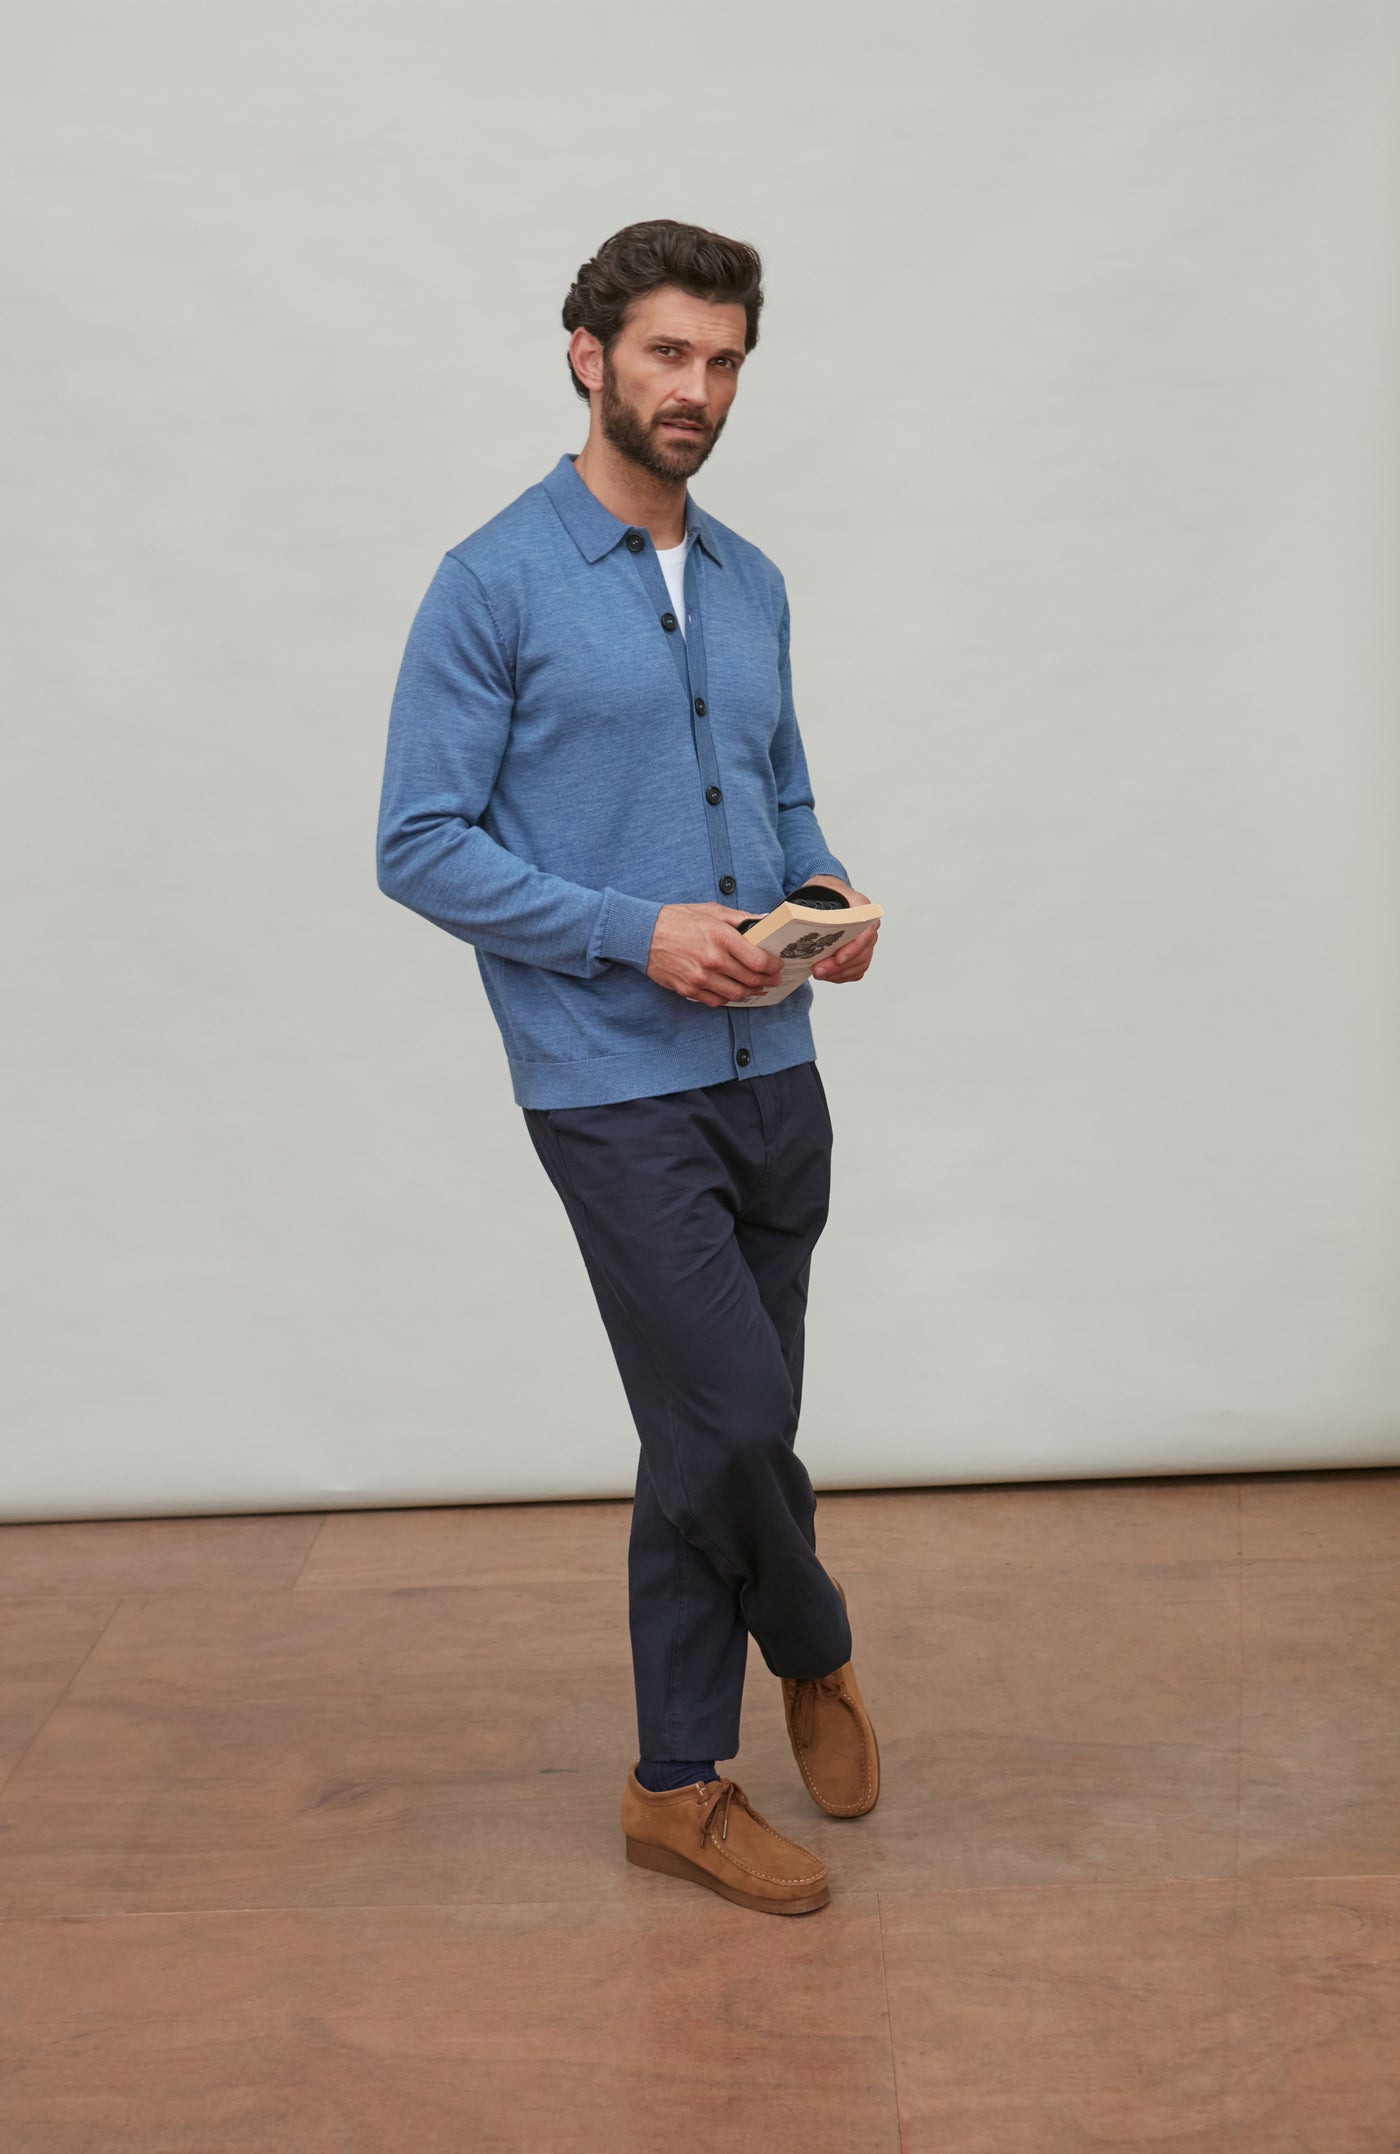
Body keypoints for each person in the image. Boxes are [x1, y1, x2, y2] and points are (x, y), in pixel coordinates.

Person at [376, 218, 881, 1917]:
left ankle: (677, 1784)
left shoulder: (754, 581)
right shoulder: (492, 580)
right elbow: (419, 843)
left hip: (776, 1067)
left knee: (707, 1436)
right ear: (587, 354)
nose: (700, 389)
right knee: (731, 1415)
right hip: (610, 1078)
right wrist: (631, 928)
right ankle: (811, 1636)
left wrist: (829, 900)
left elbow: (787, 793)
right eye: (668, 353)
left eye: (725, 359)